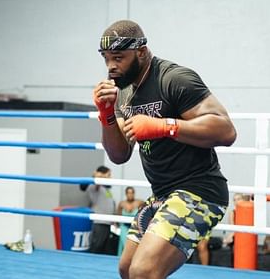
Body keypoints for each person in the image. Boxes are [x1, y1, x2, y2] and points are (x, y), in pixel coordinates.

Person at [92, 20, 237, 279]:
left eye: (118, 58)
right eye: (106, 59)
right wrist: (107, 116)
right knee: (127, 269)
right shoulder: (123, 91)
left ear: (141, 51)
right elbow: (119, 155)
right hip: (162, 194)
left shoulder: (174, 79)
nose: (111, 66)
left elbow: (226, 131)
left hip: (200, 191)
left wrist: (166, 126)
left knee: (143, 271)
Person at [79, 165, 116, 254]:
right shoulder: (95, 187)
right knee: (96, 247)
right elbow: (85, 185)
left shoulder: (106, 188)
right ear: (101, 175)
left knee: (104, 249)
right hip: (100, 222)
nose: (110, 177)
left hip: (107, 222)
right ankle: (90, 266)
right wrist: (97, 175)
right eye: (108, 175)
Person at [116, 187, 144, 256]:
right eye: (128, 193)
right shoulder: (122, 204)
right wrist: (116, 226)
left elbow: (145, 212)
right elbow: (118, 216)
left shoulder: (139, 202)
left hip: (134, 227)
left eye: (132, 193)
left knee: (133, 246)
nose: (130, 195)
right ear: (126, 194)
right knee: (124, 245)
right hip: (124, 227)